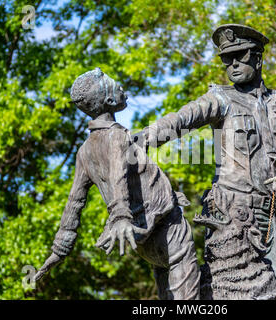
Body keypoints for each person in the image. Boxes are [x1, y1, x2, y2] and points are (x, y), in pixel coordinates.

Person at [135, 24, 276, 299]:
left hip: (272, 216)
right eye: (226, 59)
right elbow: (180, 120)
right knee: (228, 294)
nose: (232, 63)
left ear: (258, 58)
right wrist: (141, 139)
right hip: (230, 218)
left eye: (240, 56)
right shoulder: (220, 99)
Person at [34, 68, 200, 300]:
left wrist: (59, 250)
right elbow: (117, 175)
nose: (122, 87)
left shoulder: (84, 151)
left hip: (142, 239)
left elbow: (75, 202)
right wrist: (121, 215)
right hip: (165, 227)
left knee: (169, 294)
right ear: (110, 100)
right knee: (189, 296)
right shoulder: (117, 137)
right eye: (117, 86)